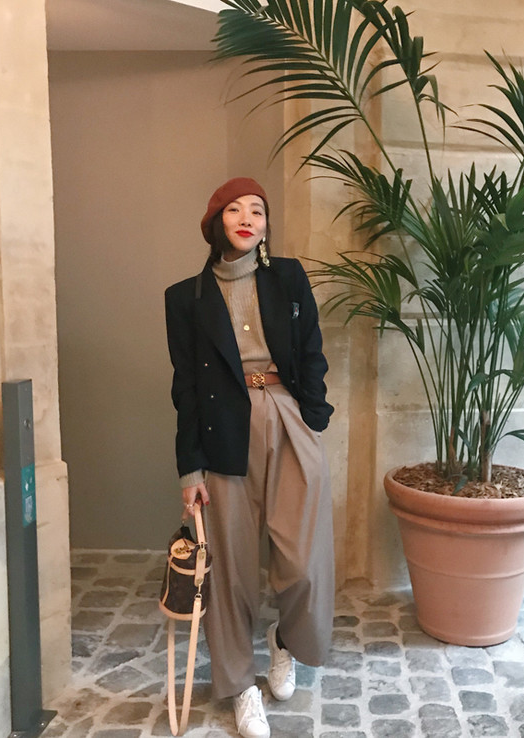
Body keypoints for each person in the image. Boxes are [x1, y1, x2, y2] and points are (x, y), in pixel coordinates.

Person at [164, 177, 335, 738]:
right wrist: (190, 467)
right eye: (234, 209)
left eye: (257, 211)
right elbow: (186, 387)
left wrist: (313, 416)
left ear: (265, 225)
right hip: (224, 433)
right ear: (215, 222)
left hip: (287, 416)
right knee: (232, 572)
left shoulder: (287, 276)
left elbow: (311, 349)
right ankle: (240, 686)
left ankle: (284, 639)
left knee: (303, 561)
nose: (247, 218)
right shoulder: (185, 298)